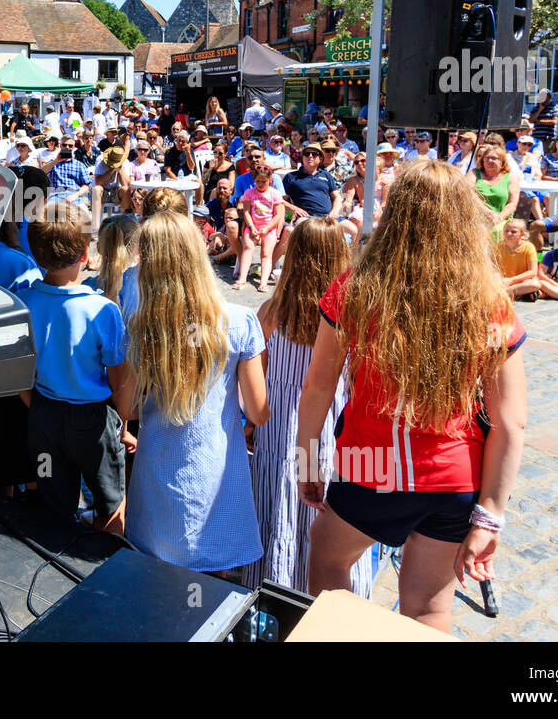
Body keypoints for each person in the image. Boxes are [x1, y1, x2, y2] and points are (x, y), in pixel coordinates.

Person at [301, 161, 528, 633]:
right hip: (455, 475)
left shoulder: (356, 288)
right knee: (428, 609)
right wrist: (490, 516)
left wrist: (306, 462)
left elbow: (318, 385)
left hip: (372, 463)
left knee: (327, 568)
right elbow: (512, 422)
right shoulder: (490, 300)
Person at [122, 212, 267, 577]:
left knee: (155, 583)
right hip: (215, 472)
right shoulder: (238, 320)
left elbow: (129, 409)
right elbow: (259, 411)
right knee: (214, 590)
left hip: (157, 471)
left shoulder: (139, 325)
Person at [244, 218, 373, 596]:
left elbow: (256, 384)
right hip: (329, 438)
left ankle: (277, 593)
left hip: (280, 438)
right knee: (331, 532)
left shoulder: (270, 313)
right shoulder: (352, 316)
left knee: (277, 516)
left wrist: (251, 427)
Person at [19, 203, 132, 532]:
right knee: (111, 503)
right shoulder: (103, 310)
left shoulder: (22, 302)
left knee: (53, 502)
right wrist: (122, 425)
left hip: (44, 417)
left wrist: (38, 407)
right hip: (93, 420)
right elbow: (118, 379)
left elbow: (18, 375)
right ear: (85, 254)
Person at [236, 161, 285, 291]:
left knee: (266, 254)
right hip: (253, 225)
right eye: (258, 181)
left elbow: (278, 215)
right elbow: (246, 212)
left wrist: (267, 228)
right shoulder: (249, 193)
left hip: (269, 227)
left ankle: (263, 282)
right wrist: (252, 227)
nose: (261, 184)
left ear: (270, 180)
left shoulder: (274, 193)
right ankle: (242, 278)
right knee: (248, 248)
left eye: (264, 181)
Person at [282, 143, 340, 220]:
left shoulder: (326, 175)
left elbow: (336, 196)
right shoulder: (291, 177)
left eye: (314, 154)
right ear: (302, 158)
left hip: (328, 217)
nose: (310, 156)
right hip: (307, 217)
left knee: (351, 228)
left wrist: (334, 211)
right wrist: (294, 209)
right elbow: (280, 200)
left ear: (320, 159)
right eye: (306, 154)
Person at [473, 144, 518, 230]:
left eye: (494, 158)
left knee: (498, 230)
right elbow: (468, 195)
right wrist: (487, 212)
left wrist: (499, 218)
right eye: (487, 158)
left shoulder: (511, 178)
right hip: (477, 218)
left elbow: (512, 204)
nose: (490, 161)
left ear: (502, 161)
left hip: (501, 219)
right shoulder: (474, 174)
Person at [498, 219, 541, 301]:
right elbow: (492, 268)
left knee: (535, 284)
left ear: (522, 234)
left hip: (520, 282)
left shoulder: (529, 247)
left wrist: (512, 280)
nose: (509, 234)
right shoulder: (498, 246)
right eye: (506, 231)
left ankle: (505, 293)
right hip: (502, 281)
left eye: (513, 232)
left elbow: (533, 271)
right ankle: (515, 293)